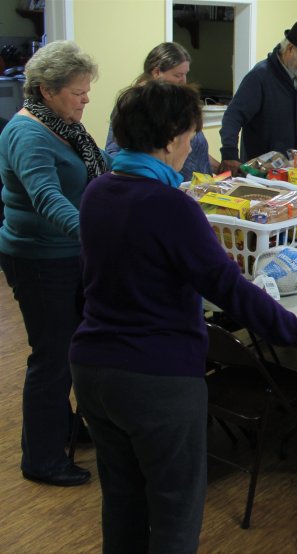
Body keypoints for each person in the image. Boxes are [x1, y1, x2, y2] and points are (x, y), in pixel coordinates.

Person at [69, 80, 297, 553]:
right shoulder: (171, 206)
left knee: (122, 505)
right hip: (155, 378)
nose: (192, 145)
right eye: (191, 134)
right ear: (172, 136)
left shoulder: (99, 191)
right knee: (175, 514)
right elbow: (232, 292)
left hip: (93, 369)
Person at [0, 40, 109, 487]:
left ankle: (67, 428)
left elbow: (99, 170)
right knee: (52, 359)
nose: (86, 99)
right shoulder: (27, 133)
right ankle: (41, 459)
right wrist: (100, 237)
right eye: (78, 92)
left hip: (70, 254)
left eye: (86, 90)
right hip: (40, 259)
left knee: (74, 350)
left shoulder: (67, 126)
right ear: (46, 90)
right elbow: (48, 198)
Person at [218, 22, 297, 175]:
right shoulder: (260, 77)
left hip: (295, 171)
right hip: (261, 173)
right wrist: (229, 153)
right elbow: (233, 116)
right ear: (290, 49)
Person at [106, 42, 218, 181]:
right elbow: (114, 152)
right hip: (167, 188)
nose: (183, 81)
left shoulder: (178, 104)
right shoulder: (135, 105)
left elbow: (194, 150)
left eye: (185, 74)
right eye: (178, 75)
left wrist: (218, 167)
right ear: (157, 72)